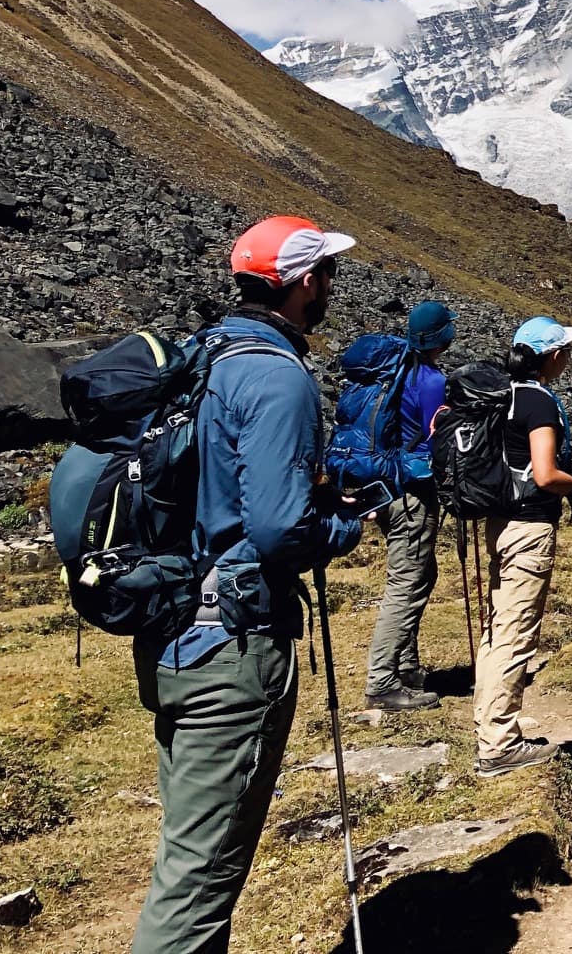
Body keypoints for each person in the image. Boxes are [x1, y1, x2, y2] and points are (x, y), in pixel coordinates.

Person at [131, 216, 366, 954]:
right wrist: (345, 528)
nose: (333, 284)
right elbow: (276, 531)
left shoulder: (199, 358)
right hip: (233, 645)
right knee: (198, 879)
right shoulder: (276, 375)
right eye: (328, 272)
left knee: (194, 850)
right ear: (303, 284)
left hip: (168, 625)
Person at [474, 315, 572, 777]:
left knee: (498, 626)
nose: (569, 356)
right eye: (565, 349)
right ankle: (498, 743)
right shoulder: (538, 404)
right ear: (552, 357)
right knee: (516, 632)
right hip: (529, 527)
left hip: (498, 522)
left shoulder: (502, 395)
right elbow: (546, 474)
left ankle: (488, 724)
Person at [363, 301, 455, 711]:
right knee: (406, 583)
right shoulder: (431, 380)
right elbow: (435, 438)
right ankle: (382, 680)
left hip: (386, 487)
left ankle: (406, 665)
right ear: (441, 336)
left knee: (420, 573)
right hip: (413, 493)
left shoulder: (395, 372)